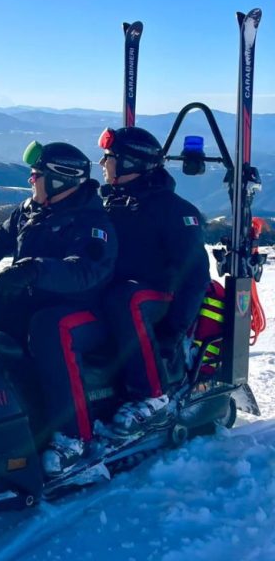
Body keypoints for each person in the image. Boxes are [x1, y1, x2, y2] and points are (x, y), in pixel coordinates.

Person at [0, 141, 117, 476]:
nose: (31, 180)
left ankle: (74, 438)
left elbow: (84, 270)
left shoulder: (91, 224)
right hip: (35, 302)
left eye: (37, 175)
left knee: (50, 328)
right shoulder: (31, 211)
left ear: (60, 179)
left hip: (83, 311)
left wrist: (34, 270)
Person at [97, 126, 210, 436]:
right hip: (117, 291)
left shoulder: (174, 211)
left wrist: (173, 332)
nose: (103, 163)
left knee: (124, 299)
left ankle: (152, 395)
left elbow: (196, 276)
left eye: (110, 157)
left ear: (131, 163)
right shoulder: (109, 203)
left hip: (158, 295)